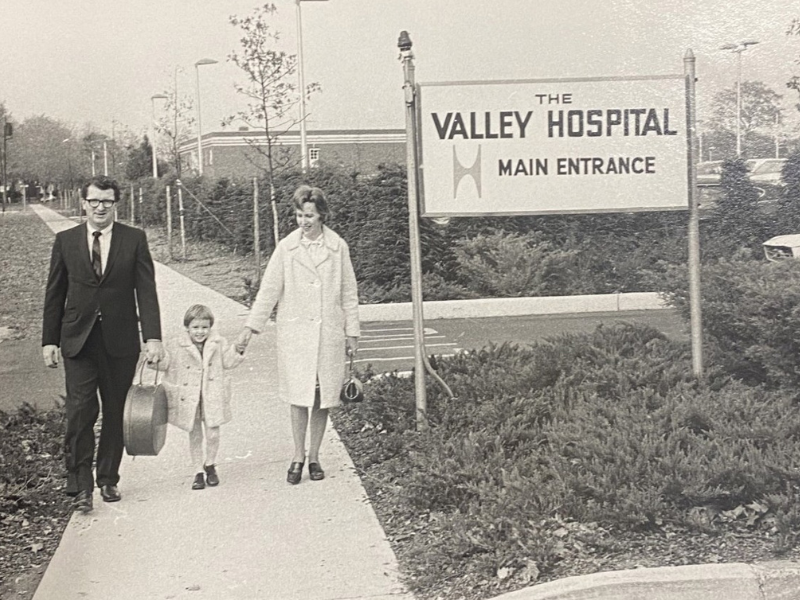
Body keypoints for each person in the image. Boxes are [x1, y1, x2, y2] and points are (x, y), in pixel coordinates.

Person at [42, 176, 164, 513]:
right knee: (80, 411)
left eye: (107, 202)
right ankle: (80, 485)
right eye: (94, 201)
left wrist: (152, 337)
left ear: (115, 205)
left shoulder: (134, 239)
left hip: (120, 341)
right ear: (84, 203)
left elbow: (146, 291)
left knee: (115, 412)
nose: (100, 207)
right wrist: (49, 340)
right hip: (78, 340)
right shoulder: (65, 241)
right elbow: (54, 294)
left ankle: (108, 477)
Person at [237, 185, 360, 485]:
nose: (303, 221)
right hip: (296, 334)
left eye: (309, 215)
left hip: (328, 332)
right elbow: (269, 290)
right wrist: (249, 329)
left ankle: (315, 456)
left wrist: (352, 332)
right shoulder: (287, 248)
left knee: (322, 397)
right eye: (298, 215)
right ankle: (297, 455)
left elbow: (349, 292)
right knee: (297, 396)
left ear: (321, 216)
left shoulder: (337, 247)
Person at [156, 304, 245, 490]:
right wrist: (155, 357)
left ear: (210, 327)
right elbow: (165, 363)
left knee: (213, 434)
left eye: (204, 327)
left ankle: (210, 464)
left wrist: (238, 350)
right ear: (187, 328)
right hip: (190, 398)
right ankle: (198, 470)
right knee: (195, 434)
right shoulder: (177, 344)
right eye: (195, 327)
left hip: (211, 395)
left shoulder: (218, 343)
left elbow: (228, 362)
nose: (200, 332)